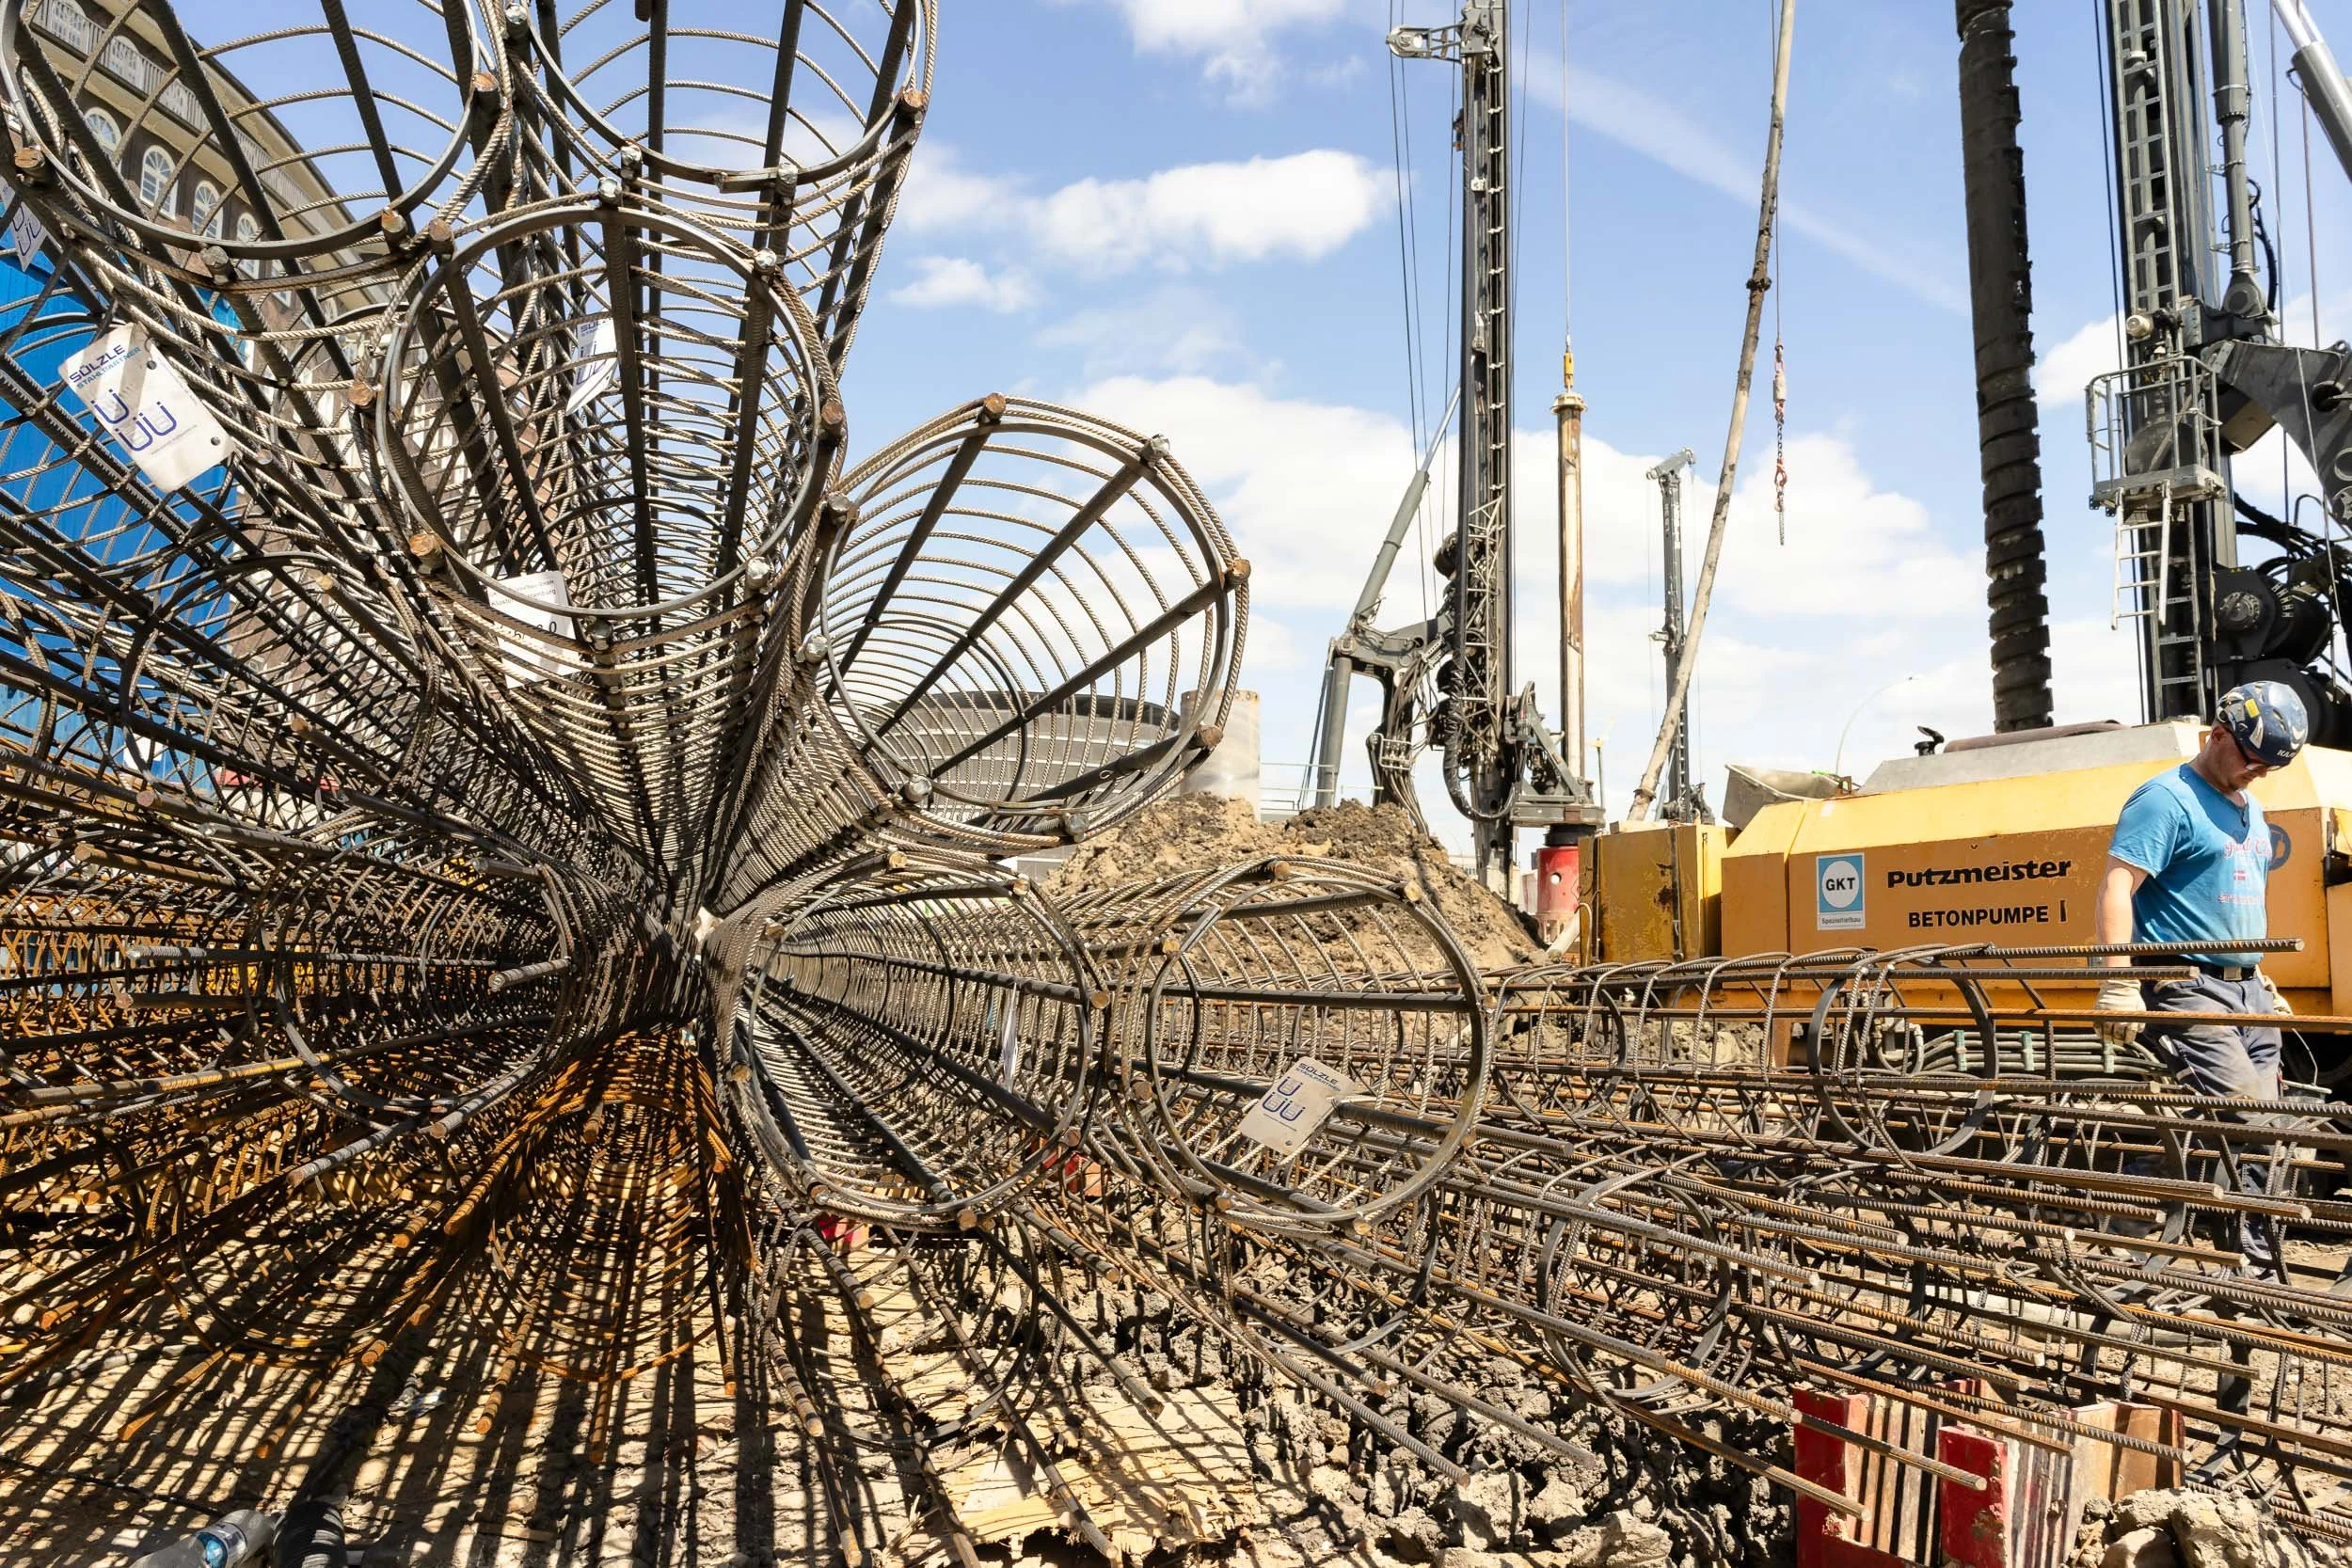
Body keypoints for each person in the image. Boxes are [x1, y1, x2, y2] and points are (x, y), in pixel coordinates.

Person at [2093, 679, 2309, 1281]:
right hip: (2185, 983)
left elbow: (2234, 899)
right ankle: (2210, 1246)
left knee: (2275, 1127)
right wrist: (2118, 981)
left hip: (2244, 989)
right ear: (2216, 734)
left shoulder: (2249, 806)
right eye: (2249, 759)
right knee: (2251, 1121)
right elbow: (2116, 885)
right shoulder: (2166, 799)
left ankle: (2256, 1264)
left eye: (2267, 768)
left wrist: (2259, 977)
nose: (2255, 773)